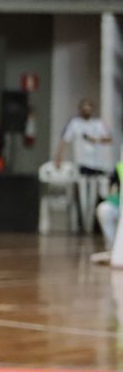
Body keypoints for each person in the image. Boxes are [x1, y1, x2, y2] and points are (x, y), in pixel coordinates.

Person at [55, 98, 114, 233]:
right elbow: (64, 140)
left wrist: (96, 140)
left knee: (94, 196)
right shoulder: (75, 123)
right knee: (83, 196)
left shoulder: (98, 123)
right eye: (85, 108)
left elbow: (109, 138)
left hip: (97, 165)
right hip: (82, 164)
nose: (87, 110)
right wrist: (58, 157)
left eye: (89, 108)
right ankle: (83, 224)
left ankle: (91, 224)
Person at [91, 163, 122, 268]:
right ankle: (113, 249)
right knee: (104, 209)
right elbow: (113, 188)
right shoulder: (120, 166)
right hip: (120, 203)